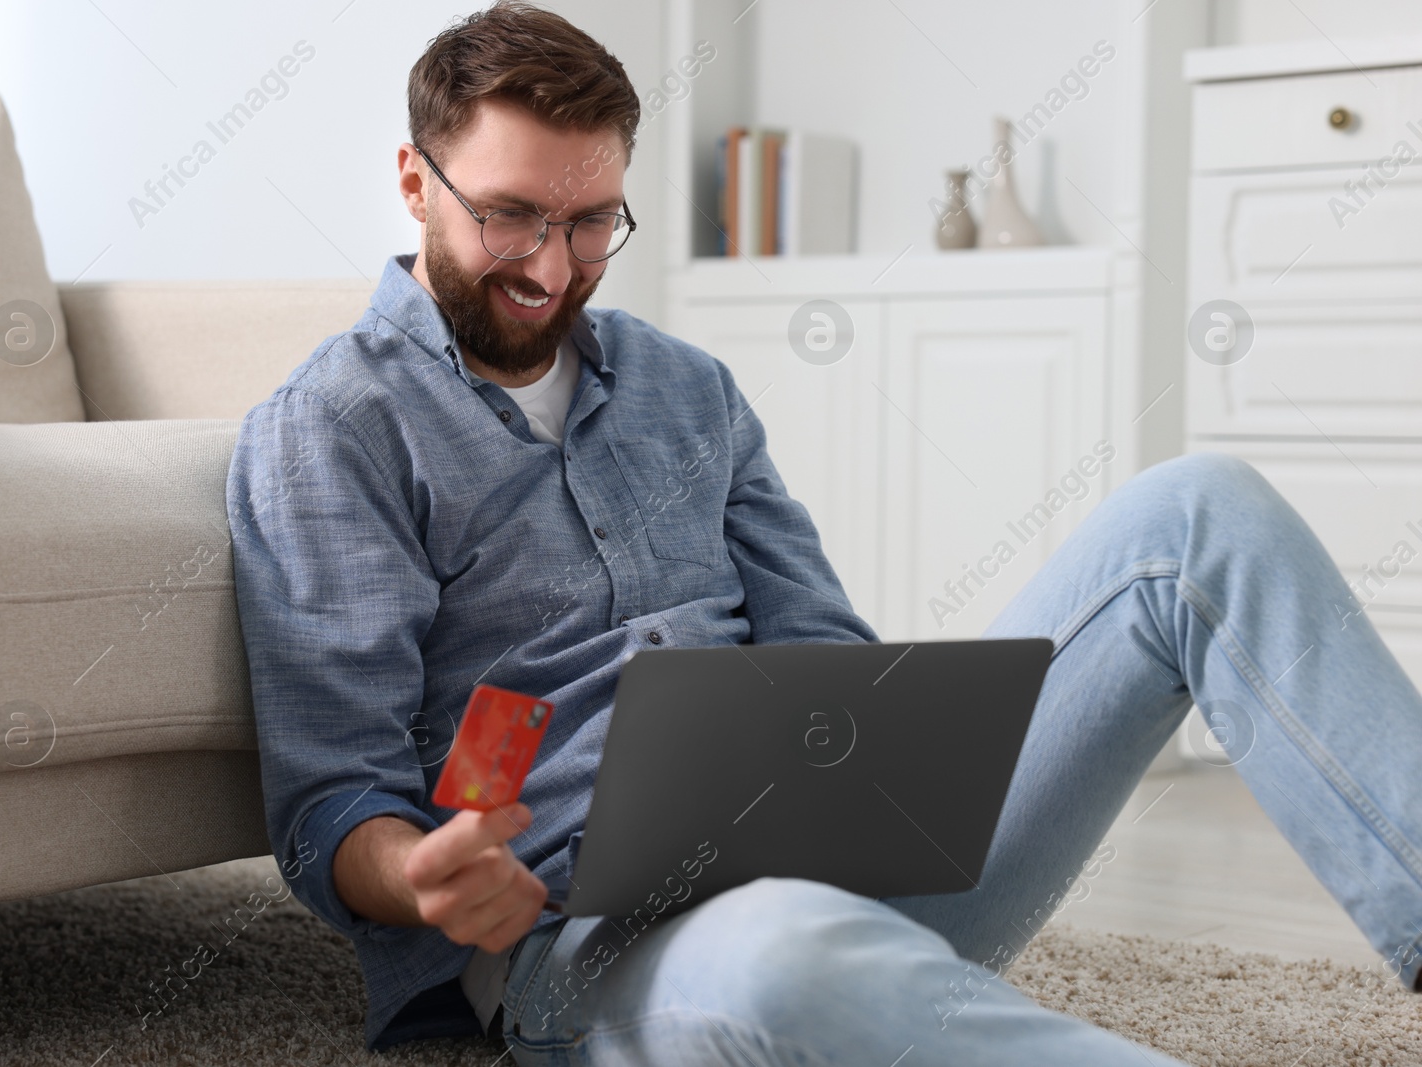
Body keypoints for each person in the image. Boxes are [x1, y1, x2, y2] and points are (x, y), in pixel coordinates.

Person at [225, 3, 1422, 1063]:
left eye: (592, 222)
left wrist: (864, 753)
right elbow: (333, 802)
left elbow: (826, 656)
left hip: (839, 865)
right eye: (511, 217)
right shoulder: (334, 427)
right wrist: (418, 876)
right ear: (412, 178)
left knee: (1194, 510)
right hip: (591, 947)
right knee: (785, 947)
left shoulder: (686, 388)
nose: (552, 266)